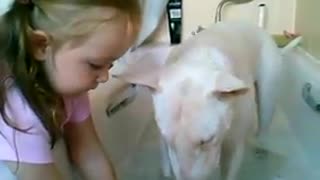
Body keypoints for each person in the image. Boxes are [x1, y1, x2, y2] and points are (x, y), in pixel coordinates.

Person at [0, 0, 141, 179]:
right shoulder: (19, 114)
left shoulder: (72, 88)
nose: (105, 77)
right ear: (41, 45)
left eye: (110, 64)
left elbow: (88, 153)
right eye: (95, 64)